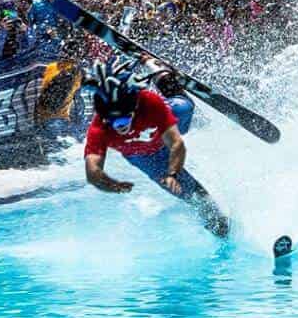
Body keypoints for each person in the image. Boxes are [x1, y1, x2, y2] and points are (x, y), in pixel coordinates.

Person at [81, 58, 229, 237]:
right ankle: (219, 229)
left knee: (183, 107)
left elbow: (176, 143)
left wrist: (173, 173)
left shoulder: (150, 103)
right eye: (113, 121)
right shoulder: (100, 128)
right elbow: (93, 172)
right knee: (192, 195)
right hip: (147, 157)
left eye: (123, 120)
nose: (119, 126)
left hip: (164, 131)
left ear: (134, 108)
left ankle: (159, 72)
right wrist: (112, 185)